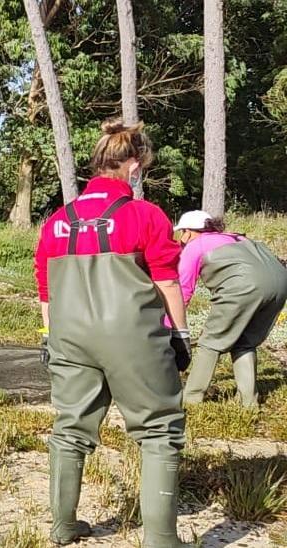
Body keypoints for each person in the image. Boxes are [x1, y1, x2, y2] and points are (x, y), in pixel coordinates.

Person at [34, 119, 189, 547]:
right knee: (159, 430)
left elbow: (45, 287)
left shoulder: (57, 222)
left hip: (68, 335)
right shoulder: (145, 214)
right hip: (131, 336)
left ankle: (63, 526)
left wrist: (50, 336)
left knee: (70, 428)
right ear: (134, 167)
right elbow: (167, 281)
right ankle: (161, 539)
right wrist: (181, 336)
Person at [174, 210, 287, 408]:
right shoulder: (237, 237)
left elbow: (183, 290)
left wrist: (172, 325)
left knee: (210, 343)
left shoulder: (196, 245)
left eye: (182, 233)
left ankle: (191, 399)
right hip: (279, 283)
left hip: (244, 285)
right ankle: (249, 403)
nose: (181, 240)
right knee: (244, 343)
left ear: (189, 232)